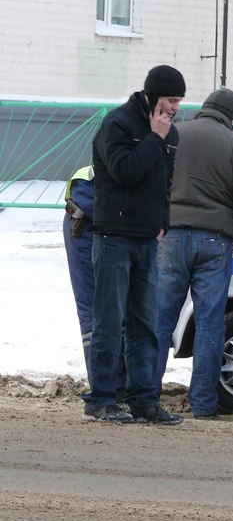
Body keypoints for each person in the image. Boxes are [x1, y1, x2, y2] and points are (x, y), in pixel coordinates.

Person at [154, 88, 233, 419]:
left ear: (204, 109)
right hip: (215, 242)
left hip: (171, 238)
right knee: (209, 324)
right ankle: (202, 404)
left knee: (159, 321)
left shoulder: (173, 136)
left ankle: (147, 395)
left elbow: (150, 182)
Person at [84, 64, 185, 425]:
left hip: (147, 239)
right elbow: (124, 171)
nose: (175, 107)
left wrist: (163, 222)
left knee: (146, 323)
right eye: (171, 99)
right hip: (114, 237)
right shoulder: (119, 124)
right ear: (153, 95)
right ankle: (101, 400)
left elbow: (165, 181)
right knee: (110, 321)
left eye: (179, 101)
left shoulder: (169, 131)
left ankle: (145, 400)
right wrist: (154, 138)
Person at [63, 165, 127, 400]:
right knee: (95, 311)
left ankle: (116, 384)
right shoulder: (89, 178)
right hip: (84, 230)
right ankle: (106, 387)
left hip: (90, 226)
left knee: (115, 310)